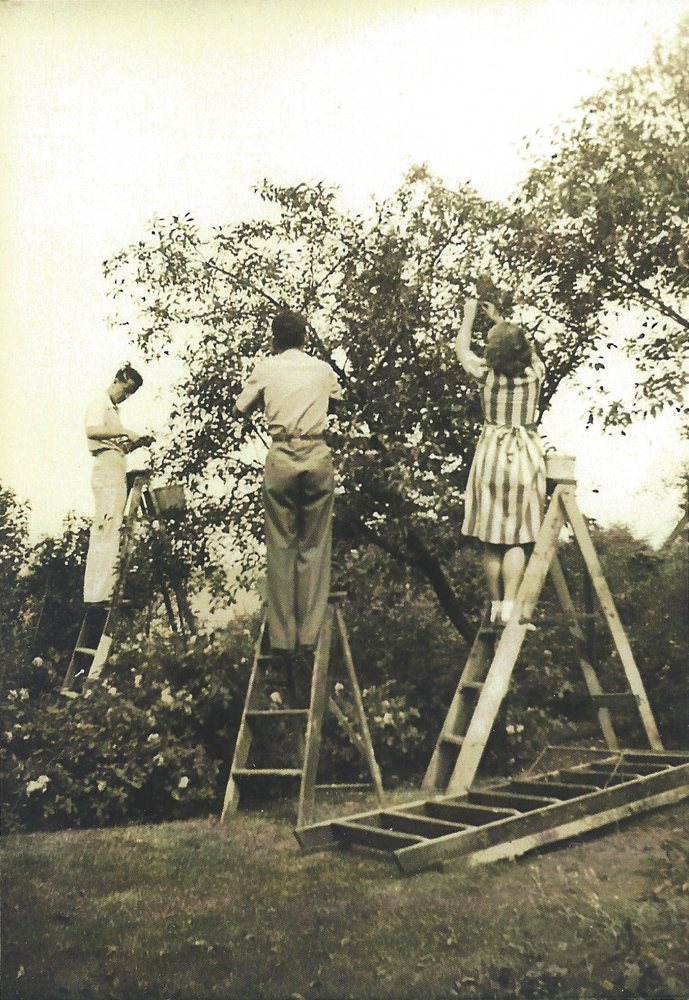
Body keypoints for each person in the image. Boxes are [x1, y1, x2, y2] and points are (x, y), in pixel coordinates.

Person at [233, 310, 343, 653]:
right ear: (305, 338)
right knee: (315, 544)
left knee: (281, 546)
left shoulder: (266, 367)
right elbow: (339, 401)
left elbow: (240, 408)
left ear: (274, 339)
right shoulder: (321, 369)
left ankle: (282, 638)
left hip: (281, 454)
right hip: (315, 451)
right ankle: (309, 635)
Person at [455, 298, 546, 626]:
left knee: (491, 539)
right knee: (518, 536)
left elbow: (462, 350)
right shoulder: (536, 374)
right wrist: (504, 320)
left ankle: (495, 607)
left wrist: (468, 318)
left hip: (492, 457)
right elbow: (530, 351)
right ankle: (510, 605)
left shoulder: (485, 375)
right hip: (525, 458)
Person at [83, 365, 153, 605]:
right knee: (106, 527)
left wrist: (135, 443)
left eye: (131, 393)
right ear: (116, 381)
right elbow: (91, 432)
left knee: (113, 527)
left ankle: (106, 589)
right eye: (126, 390)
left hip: (115, 466)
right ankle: (98, 593)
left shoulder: (113, 411)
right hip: (106, 469)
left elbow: (117, 448)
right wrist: (125, 431)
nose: (126, 397)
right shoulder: (99, 404)